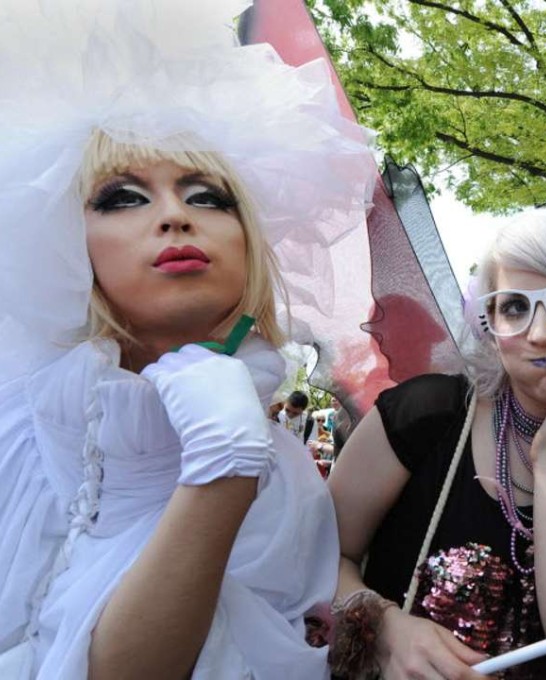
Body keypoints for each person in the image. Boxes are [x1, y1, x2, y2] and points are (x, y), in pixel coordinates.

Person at [0, 1, 375, 677]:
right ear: (64, 240)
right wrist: (222, 466)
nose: (175, 215)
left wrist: (385, 625)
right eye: (122, 197)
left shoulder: (288, 471)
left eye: (208, 197)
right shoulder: (19, 437)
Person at [328, 209, 546, 679]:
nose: (541, 333)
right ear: (488, 325)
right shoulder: (424, 415)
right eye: (513, 307)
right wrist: (384, 626)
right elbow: (319, 557)